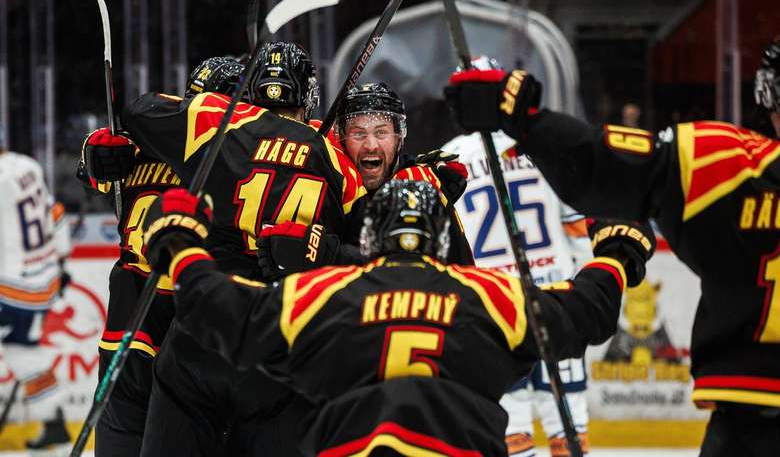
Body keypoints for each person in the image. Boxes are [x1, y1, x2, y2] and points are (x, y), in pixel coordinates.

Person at [444, 25, 780, 456]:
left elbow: (602, 164)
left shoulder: (726, 165)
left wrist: (523, 118)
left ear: (770, 92)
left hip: (756, 424)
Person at [136, 179, 655, 455]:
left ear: (369, 236)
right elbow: (587, 312)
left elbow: (224, 313)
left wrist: (180, 246)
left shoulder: (324, 292)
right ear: (443, 237)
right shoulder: (492, 295)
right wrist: (616, 254)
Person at [88, 41, 366, 456]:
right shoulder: (337, 160)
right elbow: (374, 258)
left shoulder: (216, 130)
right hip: (275, 340)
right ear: (307, 97)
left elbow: (139, 112)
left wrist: (100, 148)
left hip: (177, 335)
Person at [80, 55, 243, 456]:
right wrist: (95, 154)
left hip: (197, 331)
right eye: (193, 104)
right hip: (130, 324)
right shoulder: (146, 147)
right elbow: (98, 166)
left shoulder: (246, 162)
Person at [442, 57, 594, 457]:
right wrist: (583, 287)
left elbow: (445, 247)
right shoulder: (541, 145)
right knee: (569, 428)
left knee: (510, 432)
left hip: (493, 306)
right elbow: (579, 228)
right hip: (556, 297)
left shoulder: (446, 158)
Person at [335, 81, 473, 265]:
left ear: (399, 138)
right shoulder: (338, 184)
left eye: (381, 133)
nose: (370, 145)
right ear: (341, 140)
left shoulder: (418, 181)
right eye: (358, 134)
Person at [0, 126, 69, 454]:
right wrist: (63, 263)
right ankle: (53, 420)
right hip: (45, 279)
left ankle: (52, 420)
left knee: (21, 351)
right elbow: (55, 214)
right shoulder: (26, 165)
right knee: (22, 350)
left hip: (14, 288)